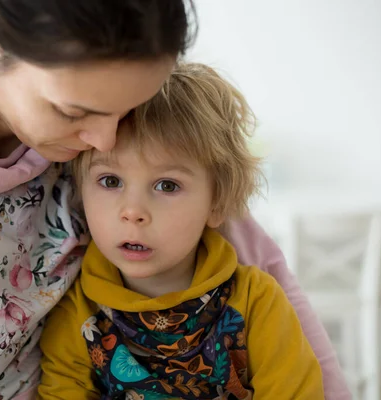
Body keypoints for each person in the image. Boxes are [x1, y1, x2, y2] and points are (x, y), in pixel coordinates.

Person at [0, 1, 349, 399]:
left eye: (128, 109)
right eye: (75, 113)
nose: (108, 141)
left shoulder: (103, 95)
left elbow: (267, 273)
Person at [37, 63, 324, 400]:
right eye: (110, 181)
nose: (133, 212)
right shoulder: (76, 314)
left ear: (216, 204)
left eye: (167, 185)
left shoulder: (257, 302)